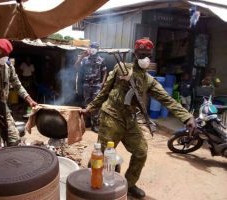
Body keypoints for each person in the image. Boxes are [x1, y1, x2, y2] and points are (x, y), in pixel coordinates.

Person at [81, 38, 196, 198]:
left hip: (130, 120)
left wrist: (186, 117)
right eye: (141, 54)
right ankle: (91, 182)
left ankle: (130, 184)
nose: (144, 58)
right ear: (135, 54)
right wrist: (90, 107)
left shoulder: (148, 80)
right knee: (104, 155)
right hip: (111, 117)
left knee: (141, 151)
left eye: (148, 55)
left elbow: (166, 99)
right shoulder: (121, 68)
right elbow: (104, 91)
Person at [75, 42, 107, 132]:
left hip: (96, 84)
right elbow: (76, 66)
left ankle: (95, 124)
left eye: (95, 47)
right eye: (92, 47)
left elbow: (104, 72)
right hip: (87, 84)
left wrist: (102, 83)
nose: (93, 49)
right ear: (89, 48)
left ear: (98, 49)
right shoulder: (85, 59)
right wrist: (81, 56)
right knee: (87, 103)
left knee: (96, 104)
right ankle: (88, 122)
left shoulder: (101, 60)